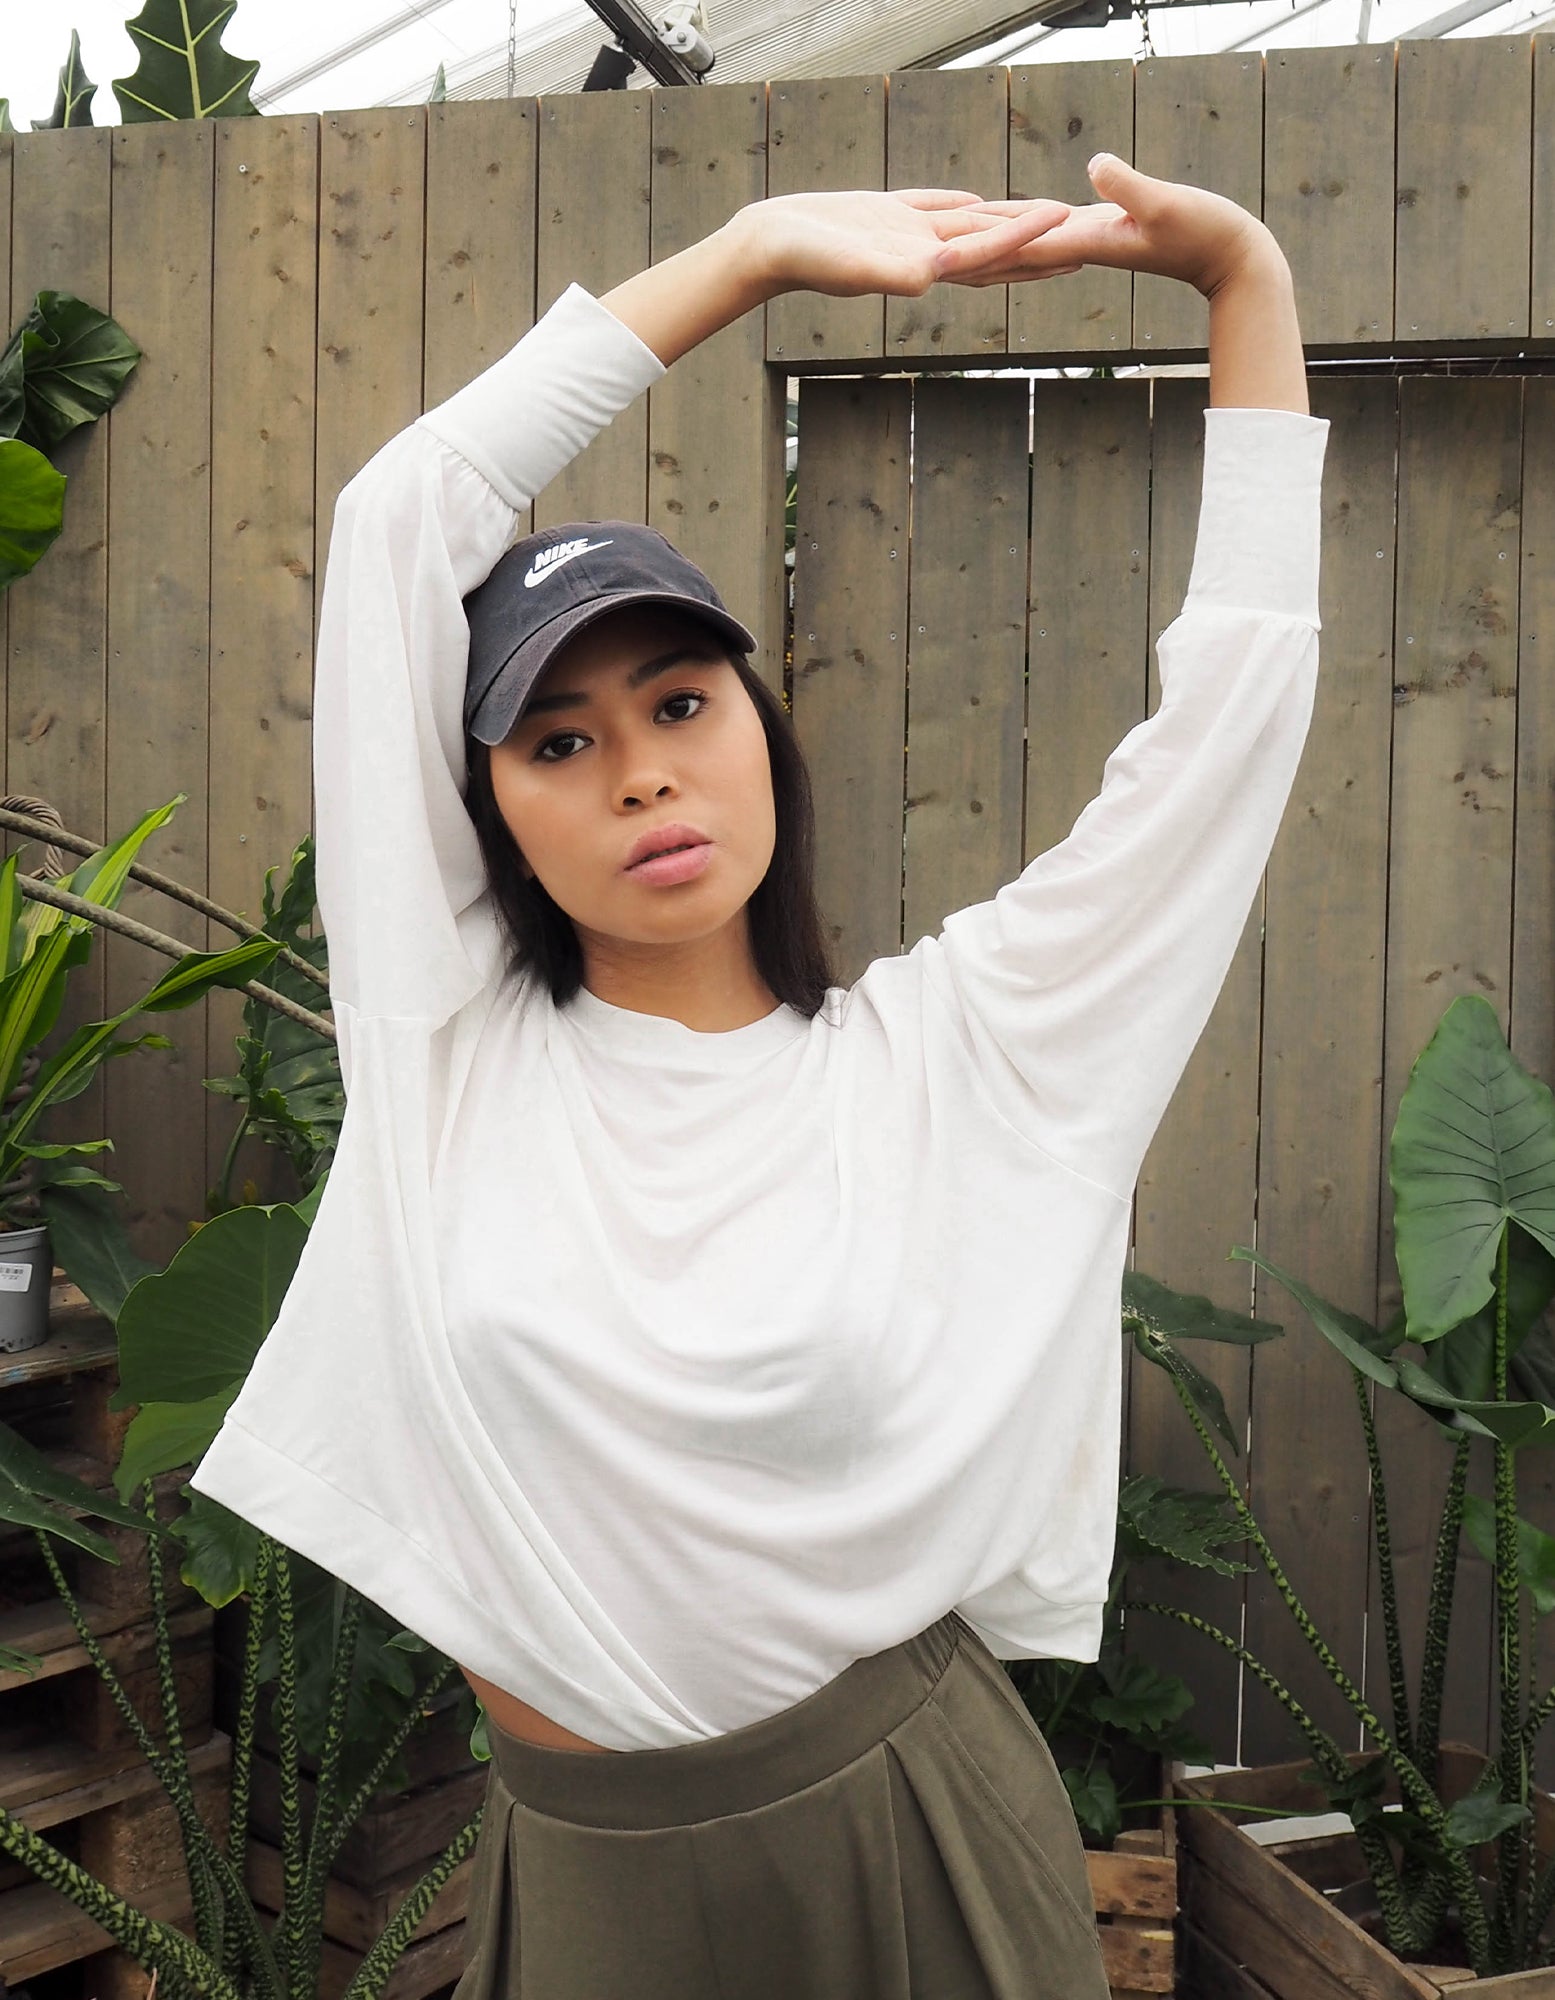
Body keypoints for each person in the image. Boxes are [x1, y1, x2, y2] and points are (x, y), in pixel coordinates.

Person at [188, 152, 1328, 1997]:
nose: (636, 769)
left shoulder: (954, 1060)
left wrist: (1247, 286)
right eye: (561, 737)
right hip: (579, 1872)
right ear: (492, 816)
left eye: (680, 704)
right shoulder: (451, 1055)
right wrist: (742, 261)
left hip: (902, 1830)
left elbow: (1228, 732)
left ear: (761, 739)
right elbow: (404, 517)